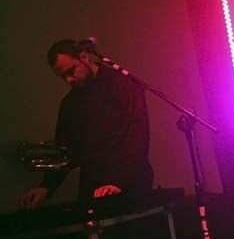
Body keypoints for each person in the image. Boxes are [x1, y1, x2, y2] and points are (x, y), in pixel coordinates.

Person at [20, 39, 153, 208]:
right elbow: (65, 151)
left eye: (71, 71)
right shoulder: (70, 104)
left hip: (131, 187)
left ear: (84, 57)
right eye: (62, 77)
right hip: (92, 188)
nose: (69, 80)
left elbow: (137, 138)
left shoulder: (123, 84)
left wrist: (118, 182)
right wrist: (46, 186)